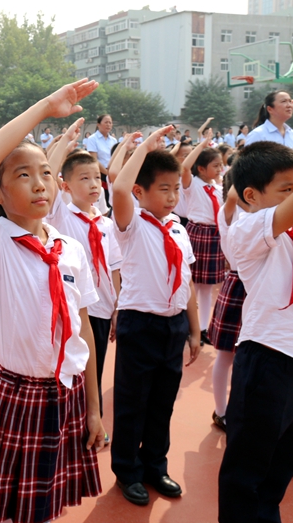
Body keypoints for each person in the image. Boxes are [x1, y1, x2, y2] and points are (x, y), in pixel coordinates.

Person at [0, 79, 104, 523]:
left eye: (44, 173)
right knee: (10, 505)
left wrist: (94, 408)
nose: (39, 184)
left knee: (47, 505)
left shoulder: (69, 249)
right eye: (22, 175)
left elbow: (84, 333)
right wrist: (44, 107)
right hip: (16, 391)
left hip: (67, 391)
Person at [110, 126, 201, 506]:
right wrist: (144, 147)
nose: (172, 196)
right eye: (163, 189)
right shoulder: (131, 225)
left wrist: (194, 331)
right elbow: (116, 188)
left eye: (175, 189)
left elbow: (189, 281)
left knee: (164, 401)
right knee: (133, 401)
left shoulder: (178, 228)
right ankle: (127, 470)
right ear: (141, 192)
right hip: (140, 323)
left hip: (173, 324)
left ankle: (155, 465)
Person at [218, 137, 293, 523]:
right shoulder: (248, 229)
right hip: (268, 358)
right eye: (288, 190)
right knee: (245, 475)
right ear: (251, 195)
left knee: (279, 471)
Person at [46, 119, 122, 444]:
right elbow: (48, 174)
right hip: (70, 310)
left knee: (95, 366)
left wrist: (119, 304)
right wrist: (65, 141)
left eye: (97, 178)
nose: (94, 184)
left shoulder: (104, 224)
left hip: (101, 312)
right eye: (84, 178)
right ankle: (63, 425)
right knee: (66, 368)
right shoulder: (60, 216)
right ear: (65, 186)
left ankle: (91, 422)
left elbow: (115, 268)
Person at [207, 171, 246, 431]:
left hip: (258, 286)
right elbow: (233, 196)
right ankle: (221, 411)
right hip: (238, 283)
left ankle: (238, 411)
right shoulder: (228, 211)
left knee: (246, 357)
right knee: (225, 354)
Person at [181, 125, 225, 345]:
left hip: (215, 235)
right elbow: (184, 167)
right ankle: (190, 326)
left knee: (207, 287)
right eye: (215, 166)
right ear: (201, 168)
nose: (220, 169)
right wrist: (202, 143)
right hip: (198, 234)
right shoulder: (193, 185)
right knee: (191, 283)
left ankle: (203, 327)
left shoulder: (218, 188)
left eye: (221, 165)